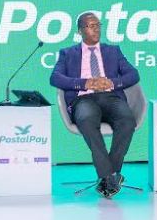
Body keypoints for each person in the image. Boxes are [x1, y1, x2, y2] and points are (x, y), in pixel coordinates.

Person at [50, 12, 140, 198]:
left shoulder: (113, 51)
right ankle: (110, 175)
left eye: (98, 25)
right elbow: (55, 78)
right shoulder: (67, 53)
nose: (96, 29)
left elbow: (133, 75)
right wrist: (85, 83)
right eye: (91, 26)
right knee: (87, 120)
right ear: (80, 30)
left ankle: (109, 176)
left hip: (110, 97)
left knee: (127, 121)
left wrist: (112, 83)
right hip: (83, 99)